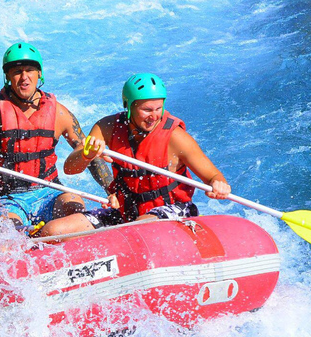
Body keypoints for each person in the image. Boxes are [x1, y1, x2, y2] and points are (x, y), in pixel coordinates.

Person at [43, 73, 231, 236]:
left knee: (137, 229)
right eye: (147, 110)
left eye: (159, 109)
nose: (154, 116)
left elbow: (213, 176)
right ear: (129, 106)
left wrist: (218, 185)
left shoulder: (176, 137)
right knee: (54, 231)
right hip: (126, 213)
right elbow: (70, 169)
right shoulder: (107, 128)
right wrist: (86, 154)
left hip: (175, 211)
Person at [0, 42, 113, 236]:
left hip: (50, 191)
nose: (24, 77)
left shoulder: (58, 113)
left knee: (75, 207)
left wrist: (112, 191)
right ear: (7, 76)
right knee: (9, 232)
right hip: (8, 199)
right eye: (17, 71)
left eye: (30, 70)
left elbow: (89, 155)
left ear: (39, 73)